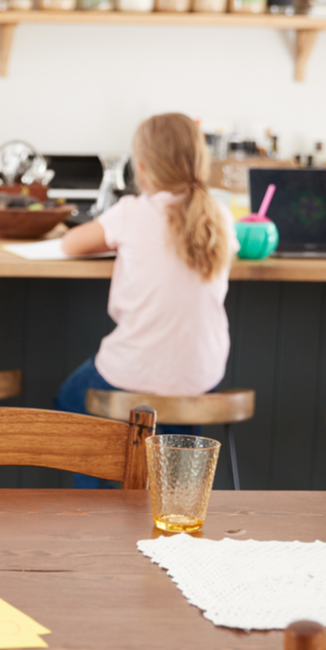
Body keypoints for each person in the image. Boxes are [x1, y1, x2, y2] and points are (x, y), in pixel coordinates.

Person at [56, 112, 239, 488]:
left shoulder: (131, 212)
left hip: (131, 373)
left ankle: (96, 510)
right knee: (165, 422)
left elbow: (70, 243)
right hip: (199, 380)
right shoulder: (219, 216)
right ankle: (169, 491)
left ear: (141, 168)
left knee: (71, 399)